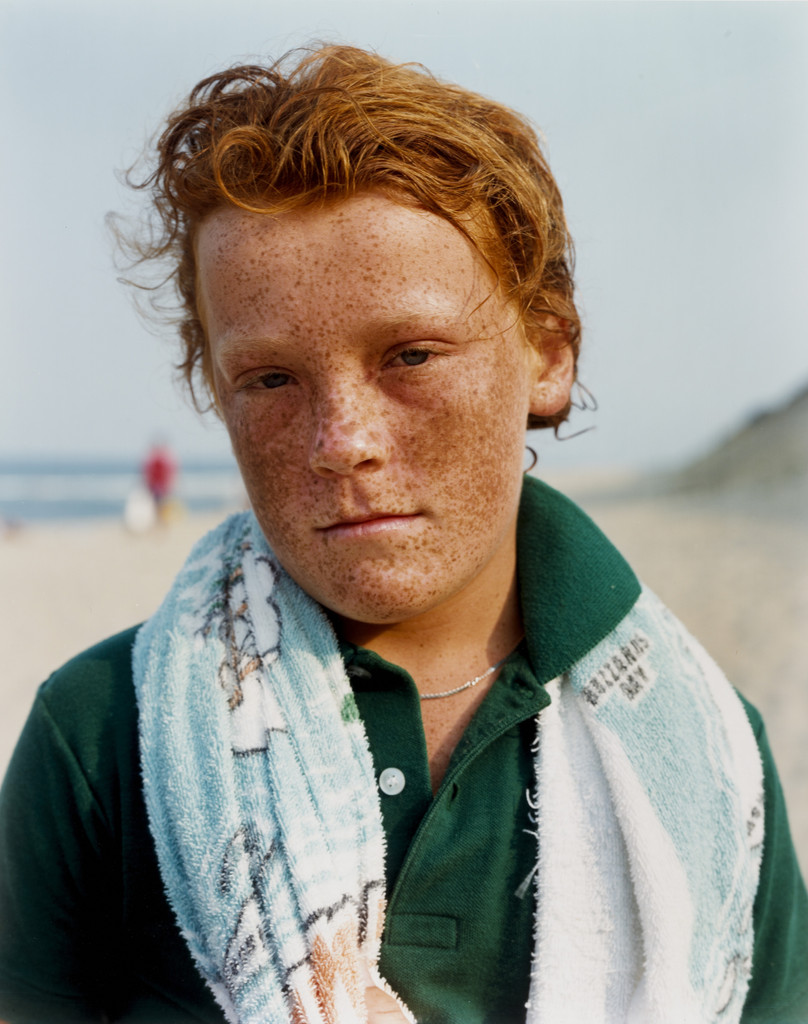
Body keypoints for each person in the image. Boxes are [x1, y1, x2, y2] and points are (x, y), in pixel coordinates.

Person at [0, 45, 806, 1024]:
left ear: (547, 353)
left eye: (409, 355)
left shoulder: (712, 761)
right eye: (270, 380)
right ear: (215, 386)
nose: (342, 443)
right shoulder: (102, 736)